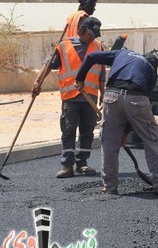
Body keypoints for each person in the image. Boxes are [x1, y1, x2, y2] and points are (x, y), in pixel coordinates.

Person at [75, 49, 158, 196]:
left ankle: (109, 186)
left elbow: (90, 56)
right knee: (151, 139)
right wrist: (126, 132)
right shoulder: (151, 73)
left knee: (109, 142)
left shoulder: (122, 54)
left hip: (111, 95)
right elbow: (135, 107)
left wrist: (80, 78)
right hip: (136, 97)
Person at [32, 16, 105, 178]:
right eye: (90, 33)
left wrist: (103, 93)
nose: (92, 37)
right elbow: (49, 64)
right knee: (68, 129)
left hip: (90, 97)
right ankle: (67, 165)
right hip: (70, 96)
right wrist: (38, 82)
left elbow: (101, 72)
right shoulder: (64, 46)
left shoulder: (99, 46)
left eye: (95, 34)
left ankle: (82, 163)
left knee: (87, 131)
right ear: (82, 30)